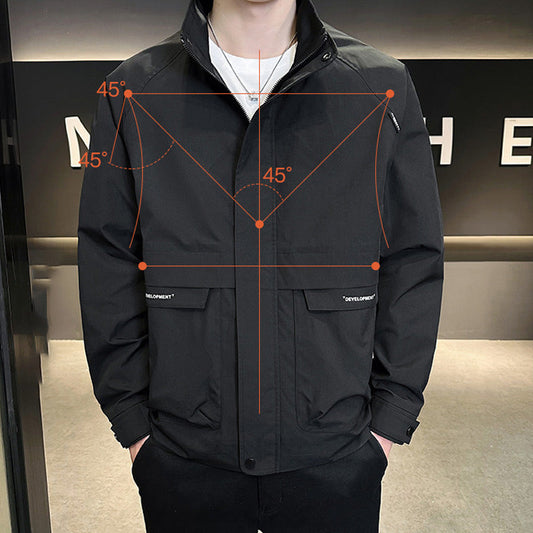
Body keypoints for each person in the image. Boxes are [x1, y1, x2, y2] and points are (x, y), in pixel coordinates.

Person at [77, 0, 444, 531]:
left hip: (336, 452)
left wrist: (390, 418)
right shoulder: (131, 90)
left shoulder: (380, 85)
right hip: (182, 455)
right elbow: (108, 258)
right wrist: (133, 423)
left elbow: (413, 255)